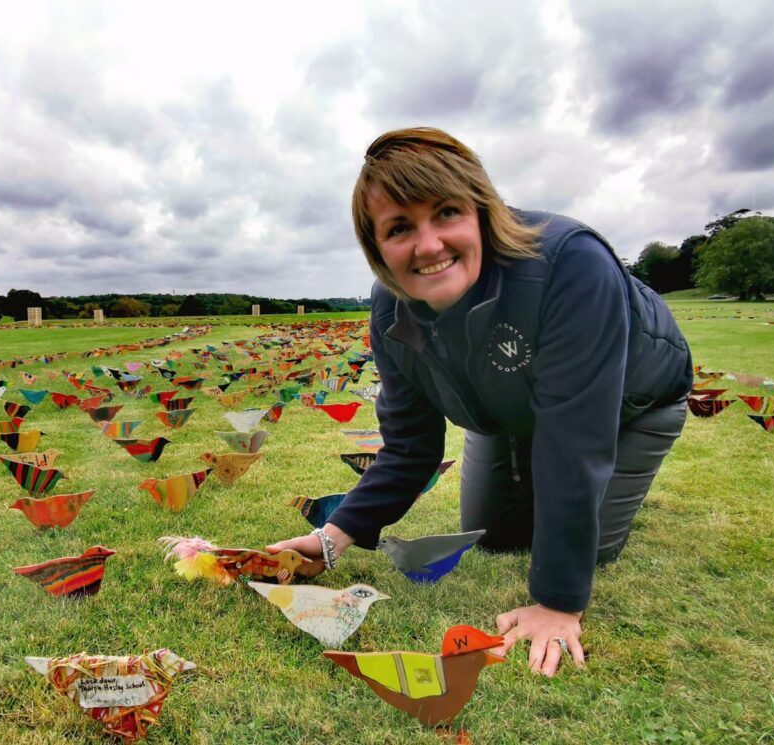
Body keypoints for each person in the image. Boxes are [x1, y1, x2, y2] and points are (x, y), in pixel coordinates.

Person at [267, 127, 692, 676]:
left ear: (483, 212)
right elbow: (409, 448)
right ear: (377, 251)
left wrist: (558, 603)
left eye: (446, 213)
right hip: (508, 415)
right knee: (498, 536)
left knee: (589, 548)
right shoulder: (389, 308)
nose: (428, 245)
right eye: (399, 228)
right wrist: (331, 538)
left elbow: (576, 441)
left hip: (632, 405)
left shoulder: (570, 262)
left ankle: (618, 491)